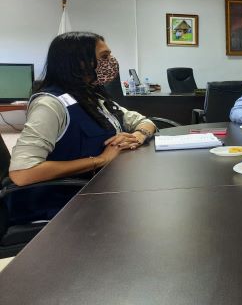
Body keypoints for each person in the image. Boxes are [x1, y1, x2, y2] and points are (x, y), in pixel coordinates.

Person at [9, 32, 156, 193]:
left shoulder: (92, 95)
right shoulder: (50, 104)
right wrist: (101, 159)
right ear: (78, 62)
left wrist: (137, 137)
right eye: (104, 56)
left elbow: (145, 122)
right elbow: (22, 173)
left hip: (108, 186)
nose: (111, 62)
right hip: (68, 202)